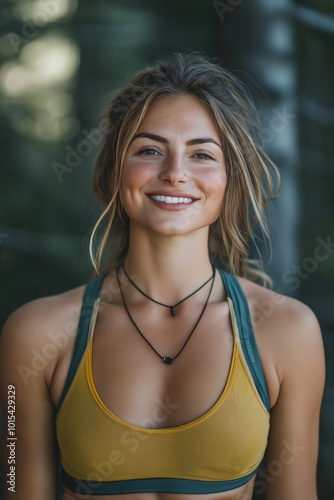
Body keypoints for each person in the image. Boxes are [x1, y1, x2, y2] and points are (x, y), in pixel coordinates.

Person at [0, 53, 325, 500]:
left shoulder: (287, 330)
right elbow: (16, 484)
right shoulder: (37, 333)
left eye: (202, 154)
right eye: (150, 150)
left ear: (230, 177)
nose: (175, 174)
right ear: (116, 168)